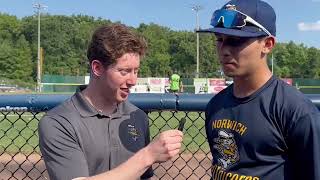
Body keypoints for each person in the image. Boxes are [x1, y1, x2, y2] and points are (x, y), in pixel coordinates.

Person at [38, 24, 183, 180]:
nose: (133, 80)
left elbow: (144, 176)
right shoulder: (59, 122)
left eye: (136, 71)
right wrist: (147, 155)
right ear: (97, 68)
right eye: (124, 71)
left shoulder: (137, 116)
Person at [200, 0, 320, 179]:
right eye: (219, 39)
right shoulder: (215, 105)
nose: (224, 49)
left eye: (235, 40)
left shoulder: (296, 111)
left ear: (268, 44)